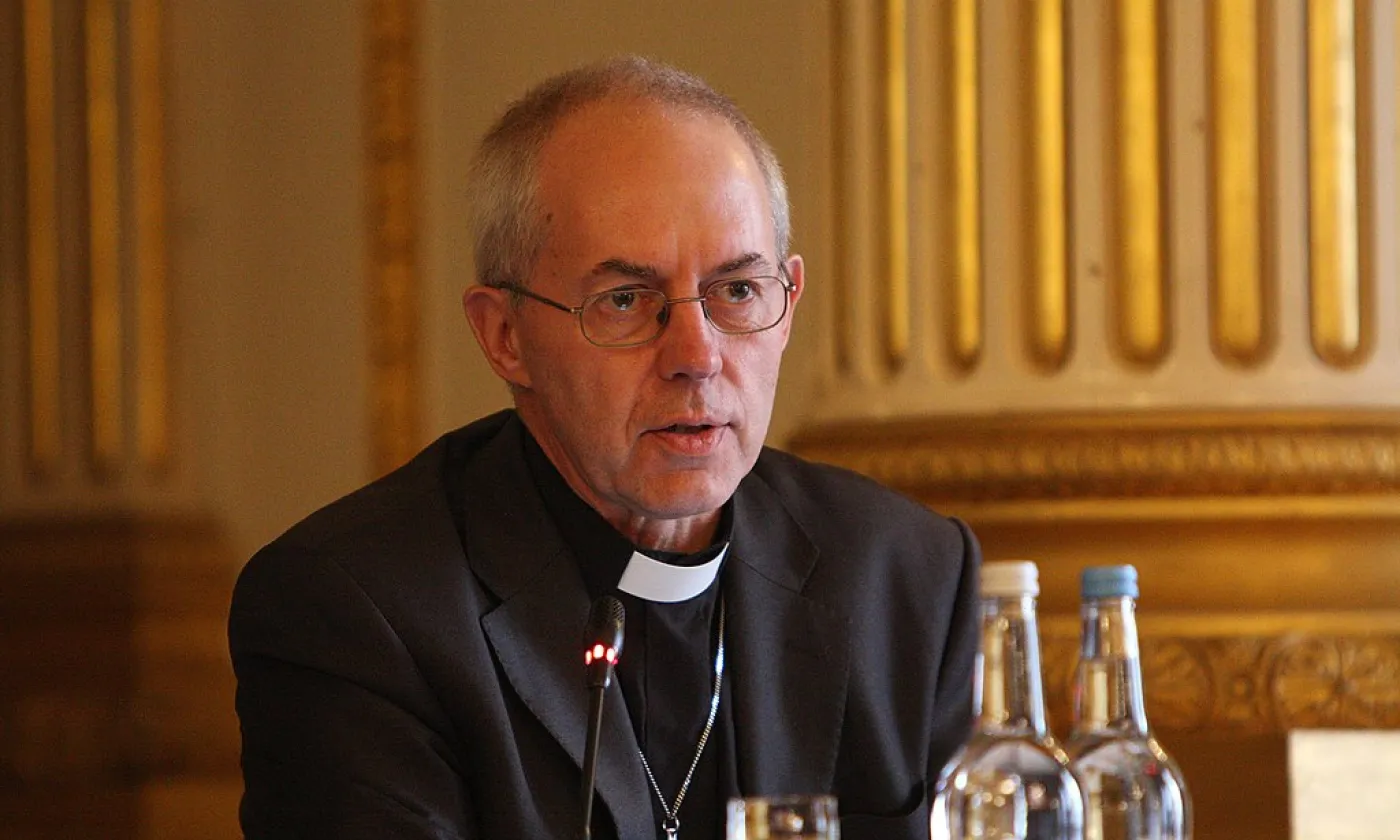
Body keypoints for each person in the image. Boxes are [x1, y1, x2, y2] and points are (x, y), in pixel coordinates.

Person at [229, 56, 979, 840]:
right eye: (625, 301)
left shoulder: (908, 579)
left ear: (787, 305)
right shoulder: (357, 614)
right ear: (505, 335)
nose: (697, 353)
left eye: (737, 291)